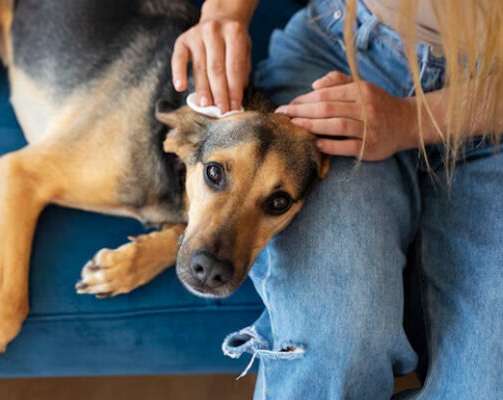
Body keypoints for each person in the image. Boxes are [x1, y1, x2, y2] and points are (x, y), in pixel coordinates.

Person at [171, 0, 503, 399]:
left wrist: (407, 121)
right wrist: (225, 12)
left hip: (492, 110)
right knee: (332, 339)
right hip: (340, 54)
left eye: (276, 203)